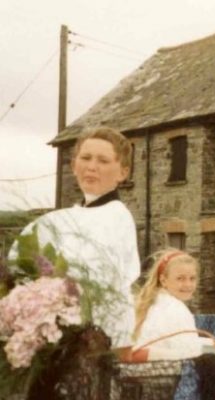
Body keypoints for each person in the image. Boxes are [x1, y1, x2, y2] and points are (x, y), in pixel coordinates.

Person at [9, 126, 140, 358]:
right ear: (74, 165)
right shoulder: (60, 219)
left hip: (103, 339)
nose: (92, 166)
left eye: (103, 160)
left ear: (123, 172)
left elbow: (100, 281)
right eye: (86, 158)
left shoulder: (117, 217)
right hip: (61, 337)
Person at [131, 249, 215, 361]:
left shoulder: (151, 301)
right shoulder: (176, 309)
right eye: (180, 278)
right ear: (163, 280)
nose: (188, 284)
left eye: (192, 278)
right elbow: (191, 355)